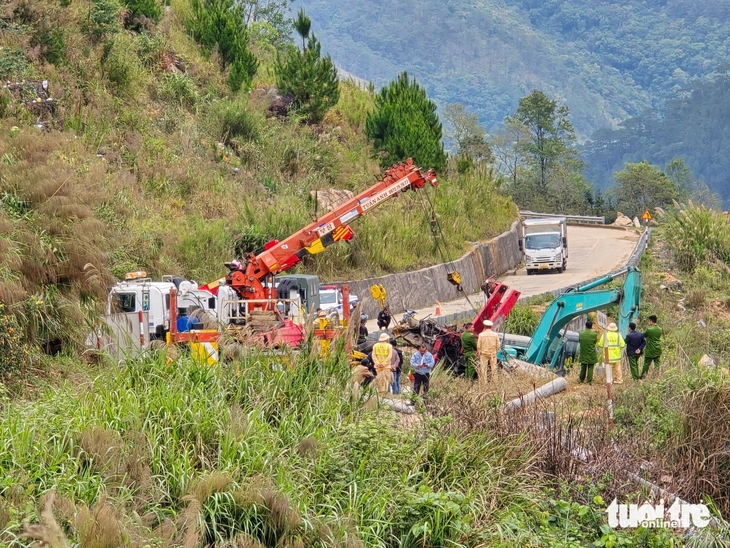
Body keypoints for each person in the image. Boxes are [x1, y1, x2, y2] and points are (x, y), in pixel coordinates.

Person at [477, 319, 500, 385]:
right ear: (491, 327)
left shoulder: (481, 335)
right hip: (493, 354)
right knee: (494, 369)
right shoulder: (495, 335)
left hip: (484, 354)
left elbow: (479, 346)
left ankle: (484, 383)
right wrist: (495, 351)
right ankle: (495, 383)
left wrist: (480, 352)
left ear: (484, 326)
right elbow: (498, 345)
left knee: (483, 369)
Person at [577, 320, 598, 385]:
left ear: (585, 326)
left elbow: (580, 341)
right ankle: (588, 382)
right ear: (591, 326)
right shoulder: (594, 334)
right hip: (591, 353)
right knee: (590, 367)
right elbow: (594, 342)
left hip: (583, 352)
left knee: (583, 366)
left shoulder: (581, 333)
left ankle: (581, 380)